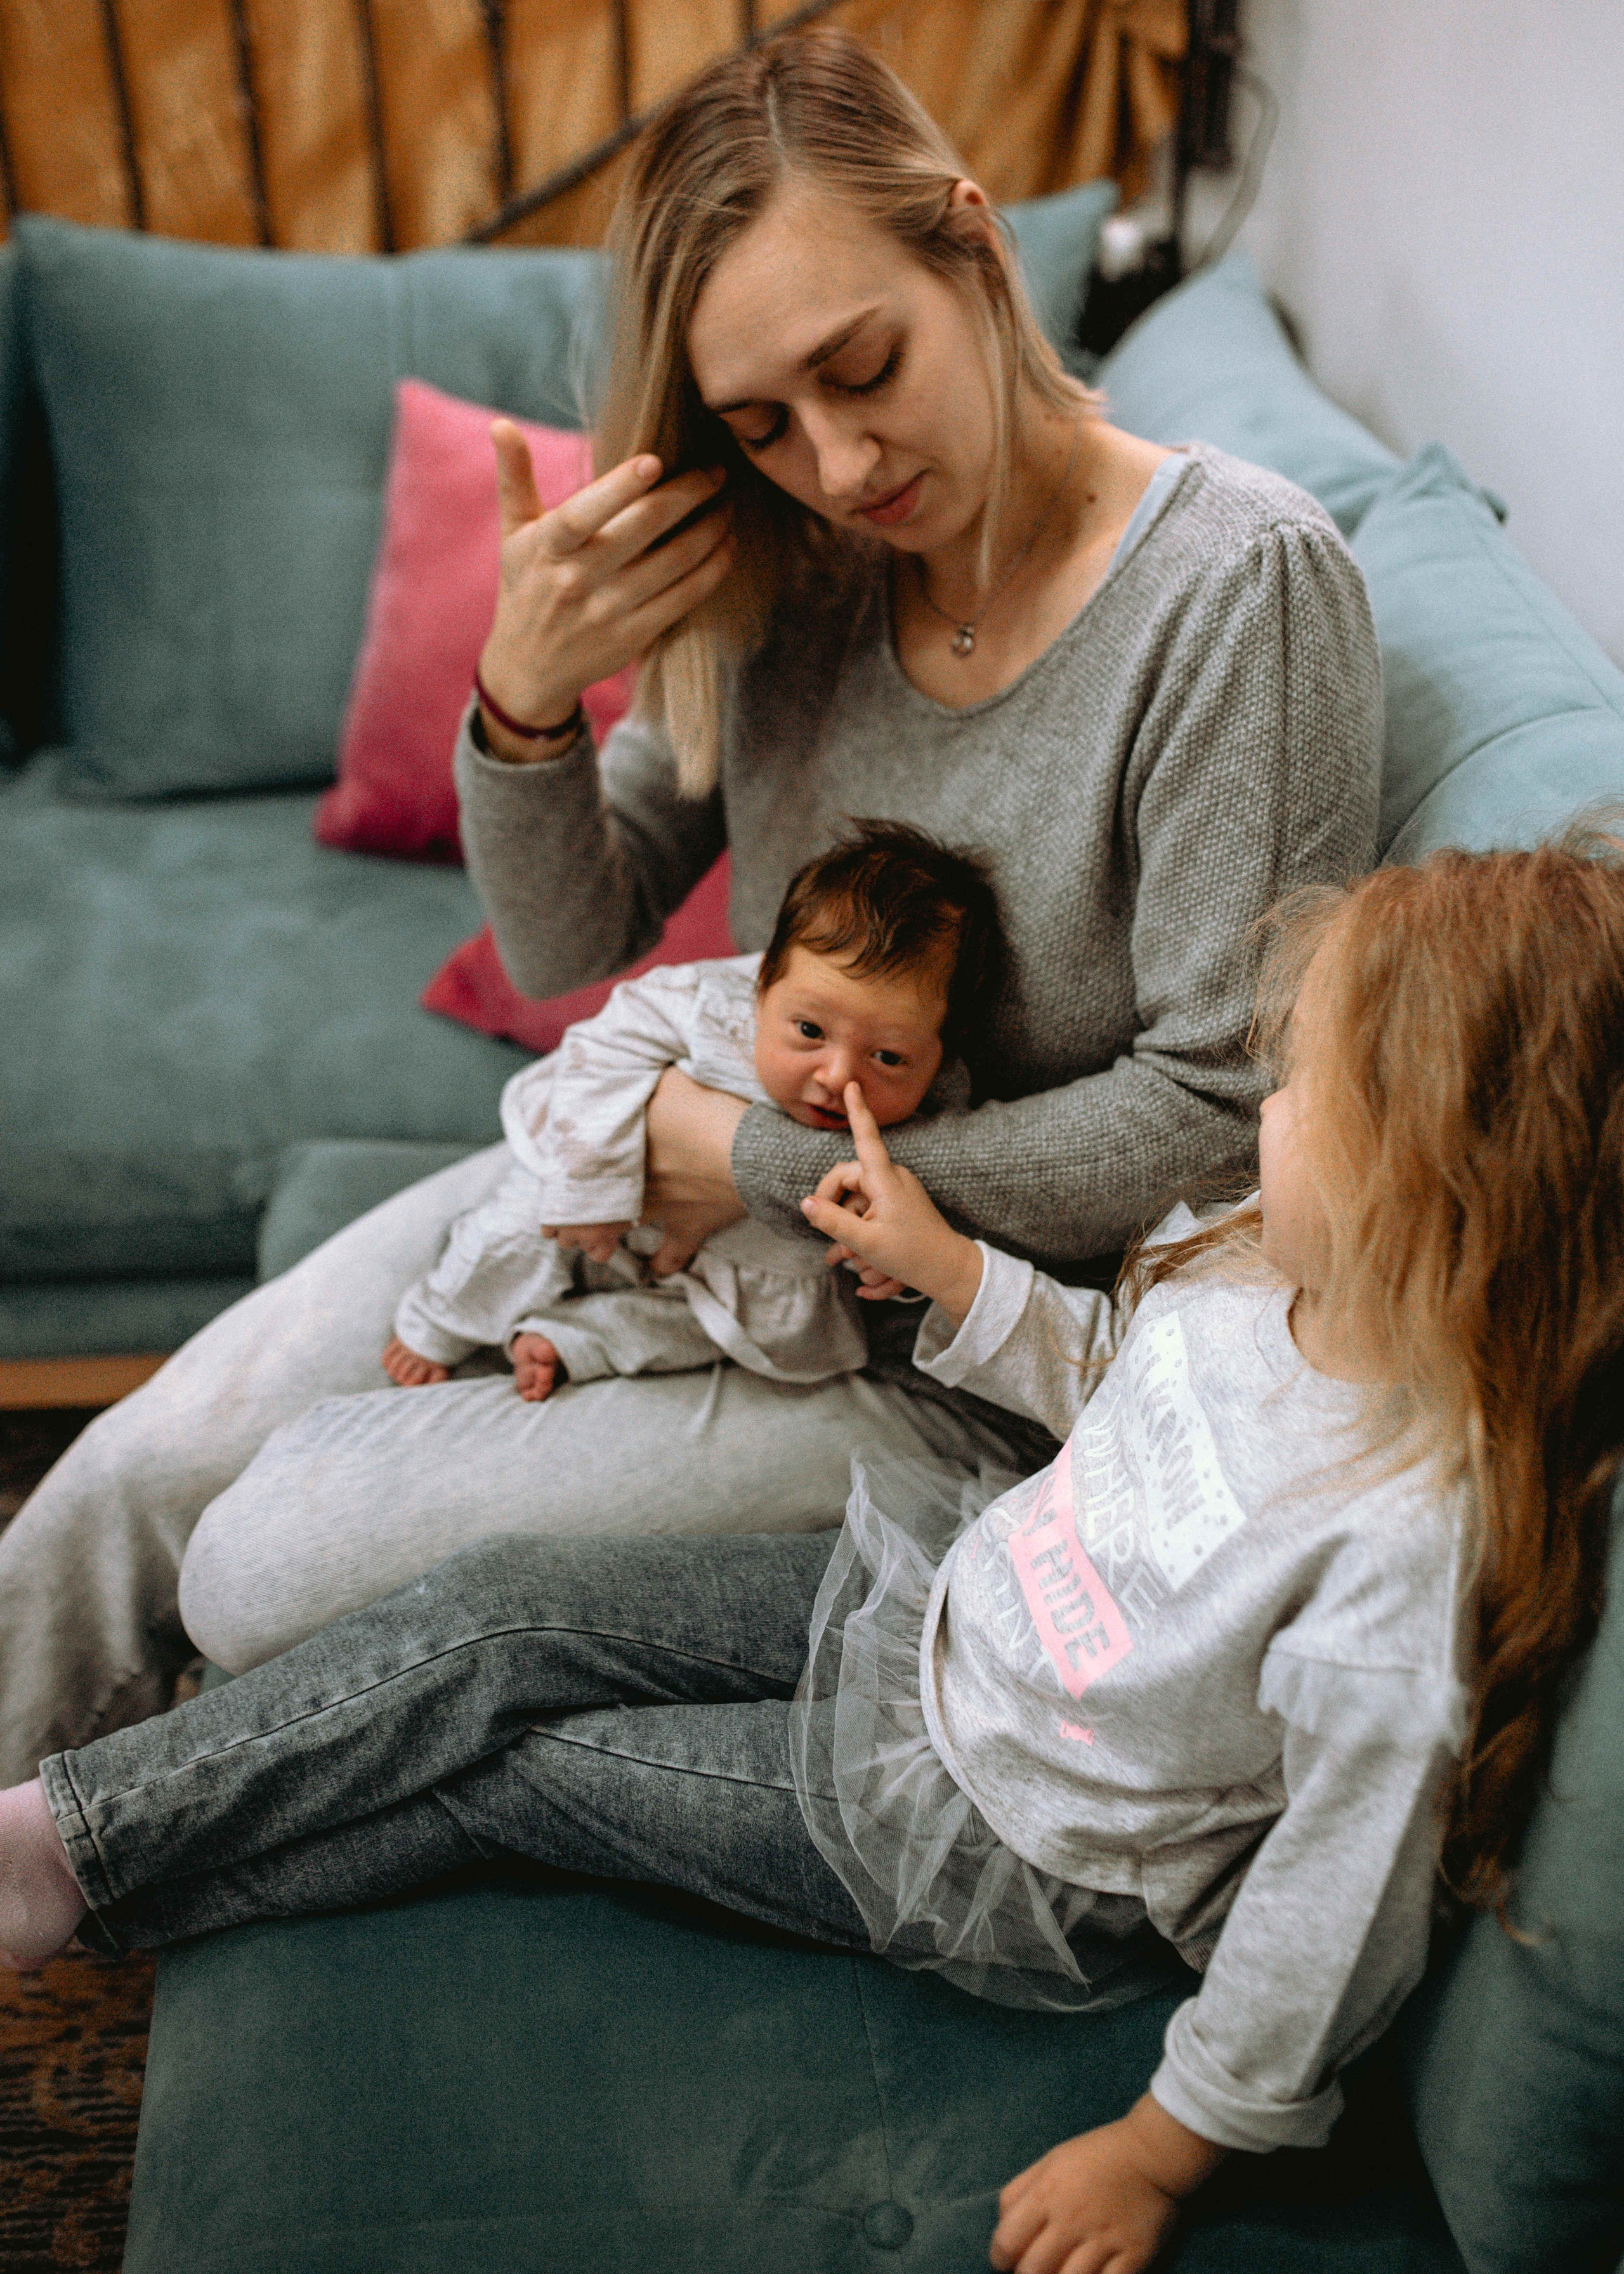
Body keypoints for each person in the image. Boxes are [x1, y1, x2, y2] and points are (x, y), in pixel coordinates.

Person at [0, 25, 1380, 1776]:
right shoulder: (809, 568)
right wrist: (519, 705)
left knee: (264, 1561)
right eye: (764, 426)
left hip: (935, 1352)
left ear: (972, 240)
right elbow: (568, 940)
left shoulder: (1238, 588)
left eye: (862, 366)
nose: (840, 460)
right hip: (667, 1191)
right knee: (124, 1478)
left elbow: (1213, 1115)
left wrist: (758, 1161)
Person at [4, 836, 1620, 2274]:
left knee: (526, 1765)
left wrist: (1164, 2142)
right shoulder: (1244, 1272)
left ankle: (108, 1886)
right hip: (944, 1616)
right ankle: (71, 1837)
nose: (1257, 1105)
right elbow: (1108, 1376)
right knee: (506, 1605)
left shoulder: (1401, 1541)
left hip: (1017, 1833)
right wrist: (945, 1268)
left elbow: (1330, 1909)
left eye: (1305, 1089)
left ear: (1440, 1172)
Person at [381, 818, 999, 1399]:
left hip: (753, 1271)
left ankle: (580, 1339)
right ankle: (441, 1317)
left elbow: (926, 1203)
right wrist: (592, 1181)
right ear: (762, 987)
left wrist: (890, 1259)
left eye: (888, 1058)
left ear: (942, 1055)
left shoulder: (942, 1107)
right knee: (521, 1232)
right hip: (610, 1192)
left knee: (745, 1331)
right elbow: (598, 1052)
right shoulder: (706, 1005)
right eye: (809, 1030)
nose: (838, 1077)